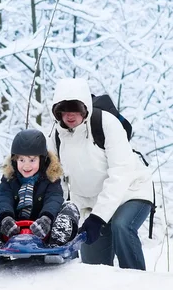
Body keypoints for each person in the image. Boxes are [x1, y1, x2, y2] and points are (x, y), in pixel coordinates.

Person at [50, 78, 154, 270]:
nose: (70, 114)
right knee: (93, 267)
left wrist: (98, 218)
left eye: (76, 107)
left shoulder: (106, 124)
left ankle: (138, 286)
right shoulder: (56, 137)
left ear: (86, 108)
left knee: (122, 226)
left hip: (131, 192)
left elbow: (121, 173)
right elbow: (56, 182)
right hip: (92, 205)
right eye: (64, 109)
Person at [0, 129, 80, 249]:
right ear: (14, 160)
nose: (26, 165)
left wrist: (47, 218)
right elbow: (3, 198)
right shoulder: (9, 178)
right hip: (13, 228)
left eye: (32, 160)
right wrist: (6, 218)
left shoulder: (51, 178)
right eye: (21, 160)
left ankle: (57, 238)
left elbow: (54, 199)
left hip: (45, 228)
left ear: (42, 160)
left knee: (70, 208)